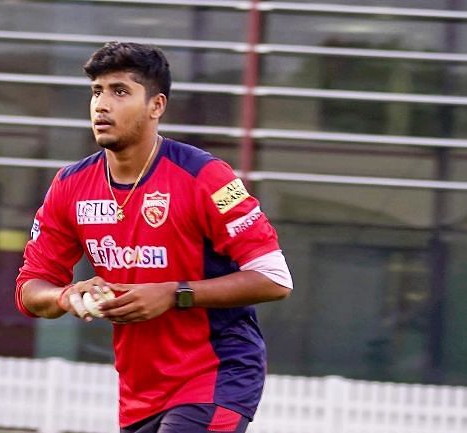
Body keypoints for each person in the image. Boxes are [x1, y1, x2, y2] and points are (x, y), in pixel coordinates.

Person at [15, 41, 293, 433]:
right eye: (97, 91)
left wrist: (173, 294)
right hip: (139, 390)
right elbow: (30, 289)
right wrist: (65, 295)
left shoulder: (207, 177)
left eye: (120, 91)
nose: (102, 105)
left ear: (156, 106)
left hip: (216, 375)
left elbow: (275, 279)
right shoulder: (70, 185)